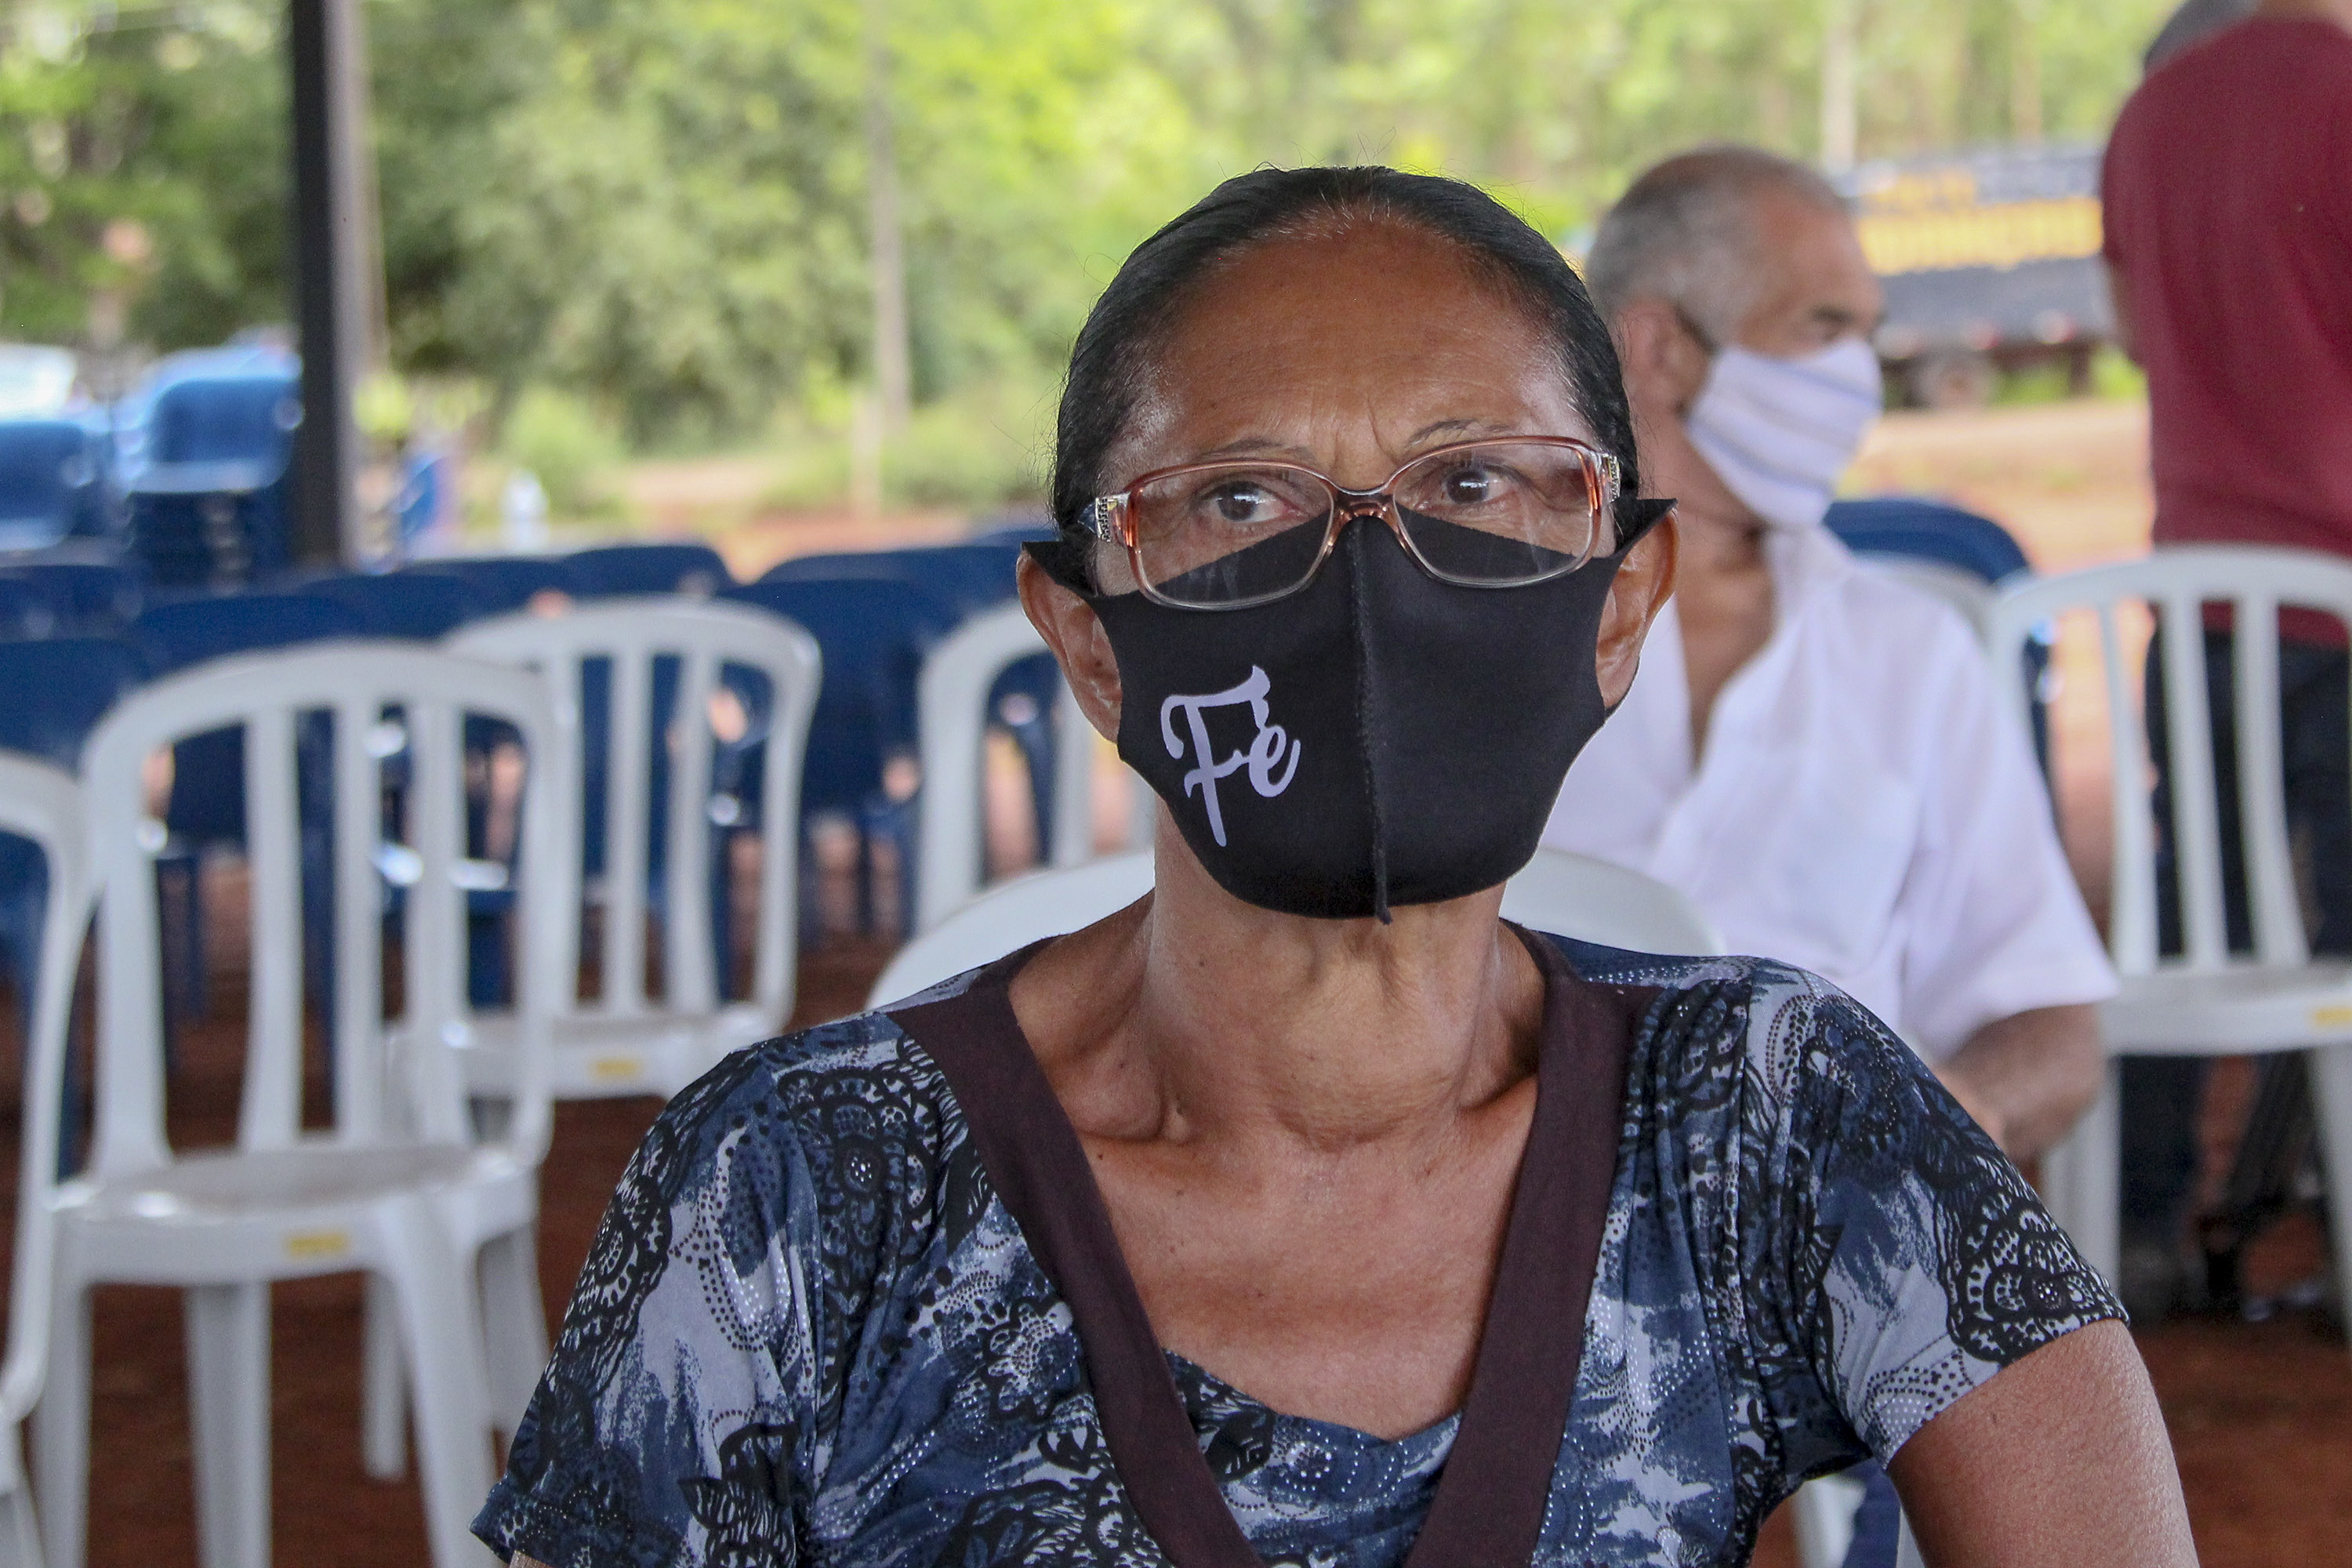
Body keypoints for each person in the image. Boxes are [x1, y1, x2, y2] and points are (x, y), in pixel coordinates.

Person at [477, 167, 2192, 1567]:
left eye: (1474, 481)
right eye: (1239, 502)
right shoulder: (796, 1193)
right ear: (1089, 645)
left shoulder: (1770, 1117)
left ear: (1618, 610)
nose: (1372, 583)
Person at [1541, 147, 2114, 1170]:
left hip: (1823, 1238)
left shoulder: (1909, 652)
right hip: (1520, 1229)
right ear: (1660, 348)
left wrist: (1934, 1136)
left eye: (1866, 333)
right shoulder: (1472, 629)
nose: (1857, 378)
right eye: (1823, 329)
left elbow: (2049, 1018)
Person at [2101, 0, 2352, 1312]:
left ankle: (2141, 1230)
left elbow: (2140, 333)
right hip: (2344, 587)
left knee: (2190, 911)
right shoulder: (2341, 85)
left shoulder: (2147, 119)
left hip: (2201, 591)